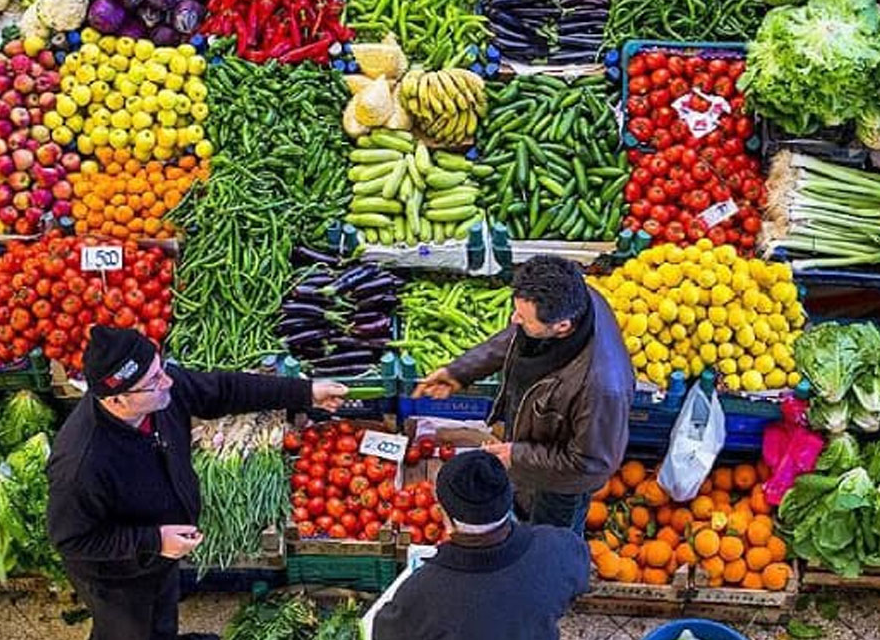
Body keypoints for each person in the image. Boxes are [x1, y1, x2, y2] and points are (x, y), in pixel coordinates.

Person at [47, 326, 348, 640]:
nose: (168, 382)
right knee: (130, 631)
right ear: (117, 401)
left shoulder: (159, 394)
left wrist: (306, 392)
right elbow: (71, 541)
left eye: (161, 368)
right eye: (153, 381)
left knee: (161, 617)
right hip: (118, 574)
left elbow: (223, 390)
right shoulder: (81, 464)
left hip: (161, 553)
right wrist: (153, 541)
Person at [413, 255, 633, 534]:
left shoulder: (601, 389)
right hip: (534, 449)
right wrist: (461, 371)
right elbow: (518, 336)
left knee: (549, 540)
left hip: (560, 486)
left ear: (562, 326)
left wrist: (516, 455)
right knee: (523, 512)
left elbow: (592, 464)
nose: (514, 319)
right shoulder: (575, 297)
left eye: (524, 318)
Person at [372, 450, 589, 640]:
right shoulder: (560, 548)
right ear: (508, 500)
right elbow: (578, 581)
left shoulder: (421, 593)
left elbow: (384, 632)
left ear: (446, 517)